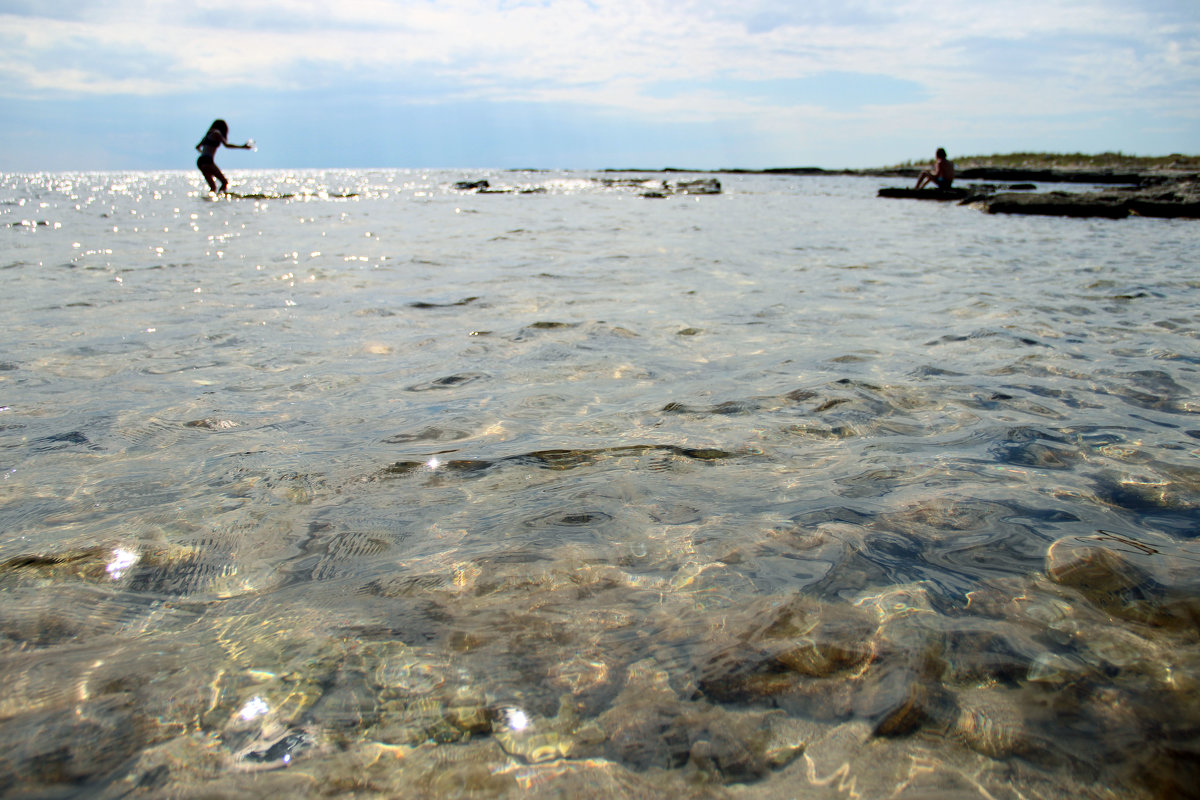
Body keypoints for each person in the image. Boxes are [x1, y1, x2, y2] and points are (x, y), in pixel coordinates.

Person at [195, 119, 252, 194]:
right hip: (207, 160)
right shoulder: (217, 133)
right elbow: (227, 145)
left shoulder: (208, 134)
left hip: (200, 161)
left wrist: (204, 152)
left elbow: (197, 147)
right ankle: (221, 199)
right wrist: (242, 147)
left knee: (213, 187)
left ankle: (209, 201)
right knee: (224, 182)